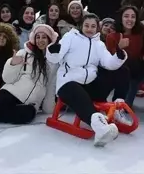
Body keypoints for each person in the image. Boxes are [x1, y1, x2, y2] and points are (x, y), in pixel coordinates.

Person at [46, 14, 131, 147]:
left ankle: (117, 107)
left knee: (121, 70)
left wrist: (118, 57)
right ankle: (100, 127)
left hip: (90, 85)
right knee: (76, 91)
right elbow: (56, 57)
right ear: (81, 25)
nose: (89, 29)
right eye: (86, 25)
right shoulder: (71, 37)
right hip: (69, 83)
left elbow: (108, 63)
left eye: (93, 26)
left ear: (97, 28)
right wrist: (54, 51)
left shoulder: (99, 44)